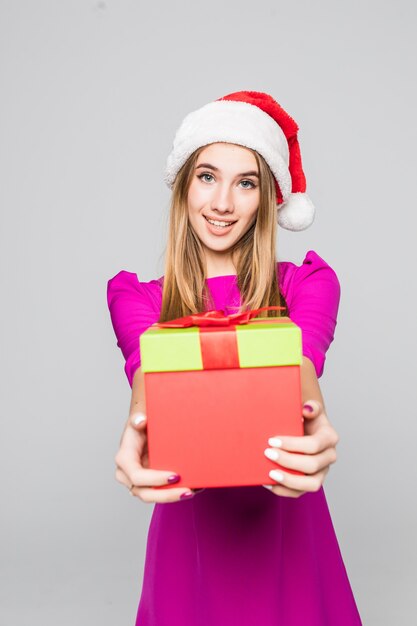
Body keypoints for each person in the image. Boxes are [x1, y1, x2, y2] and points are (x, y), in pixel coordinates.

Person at [107, 91, 363, 625]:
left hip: (288, 542)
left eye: (245, 182)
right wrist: (139, 426)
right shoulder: (138, 299)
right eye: (207, 176)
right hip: (190, 552)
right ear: (182, 187)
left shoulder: (309, 285)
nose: (223, 202)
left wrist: (312, 423)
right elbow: (148, 375)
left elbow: (299, 364)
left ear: (267, 200)